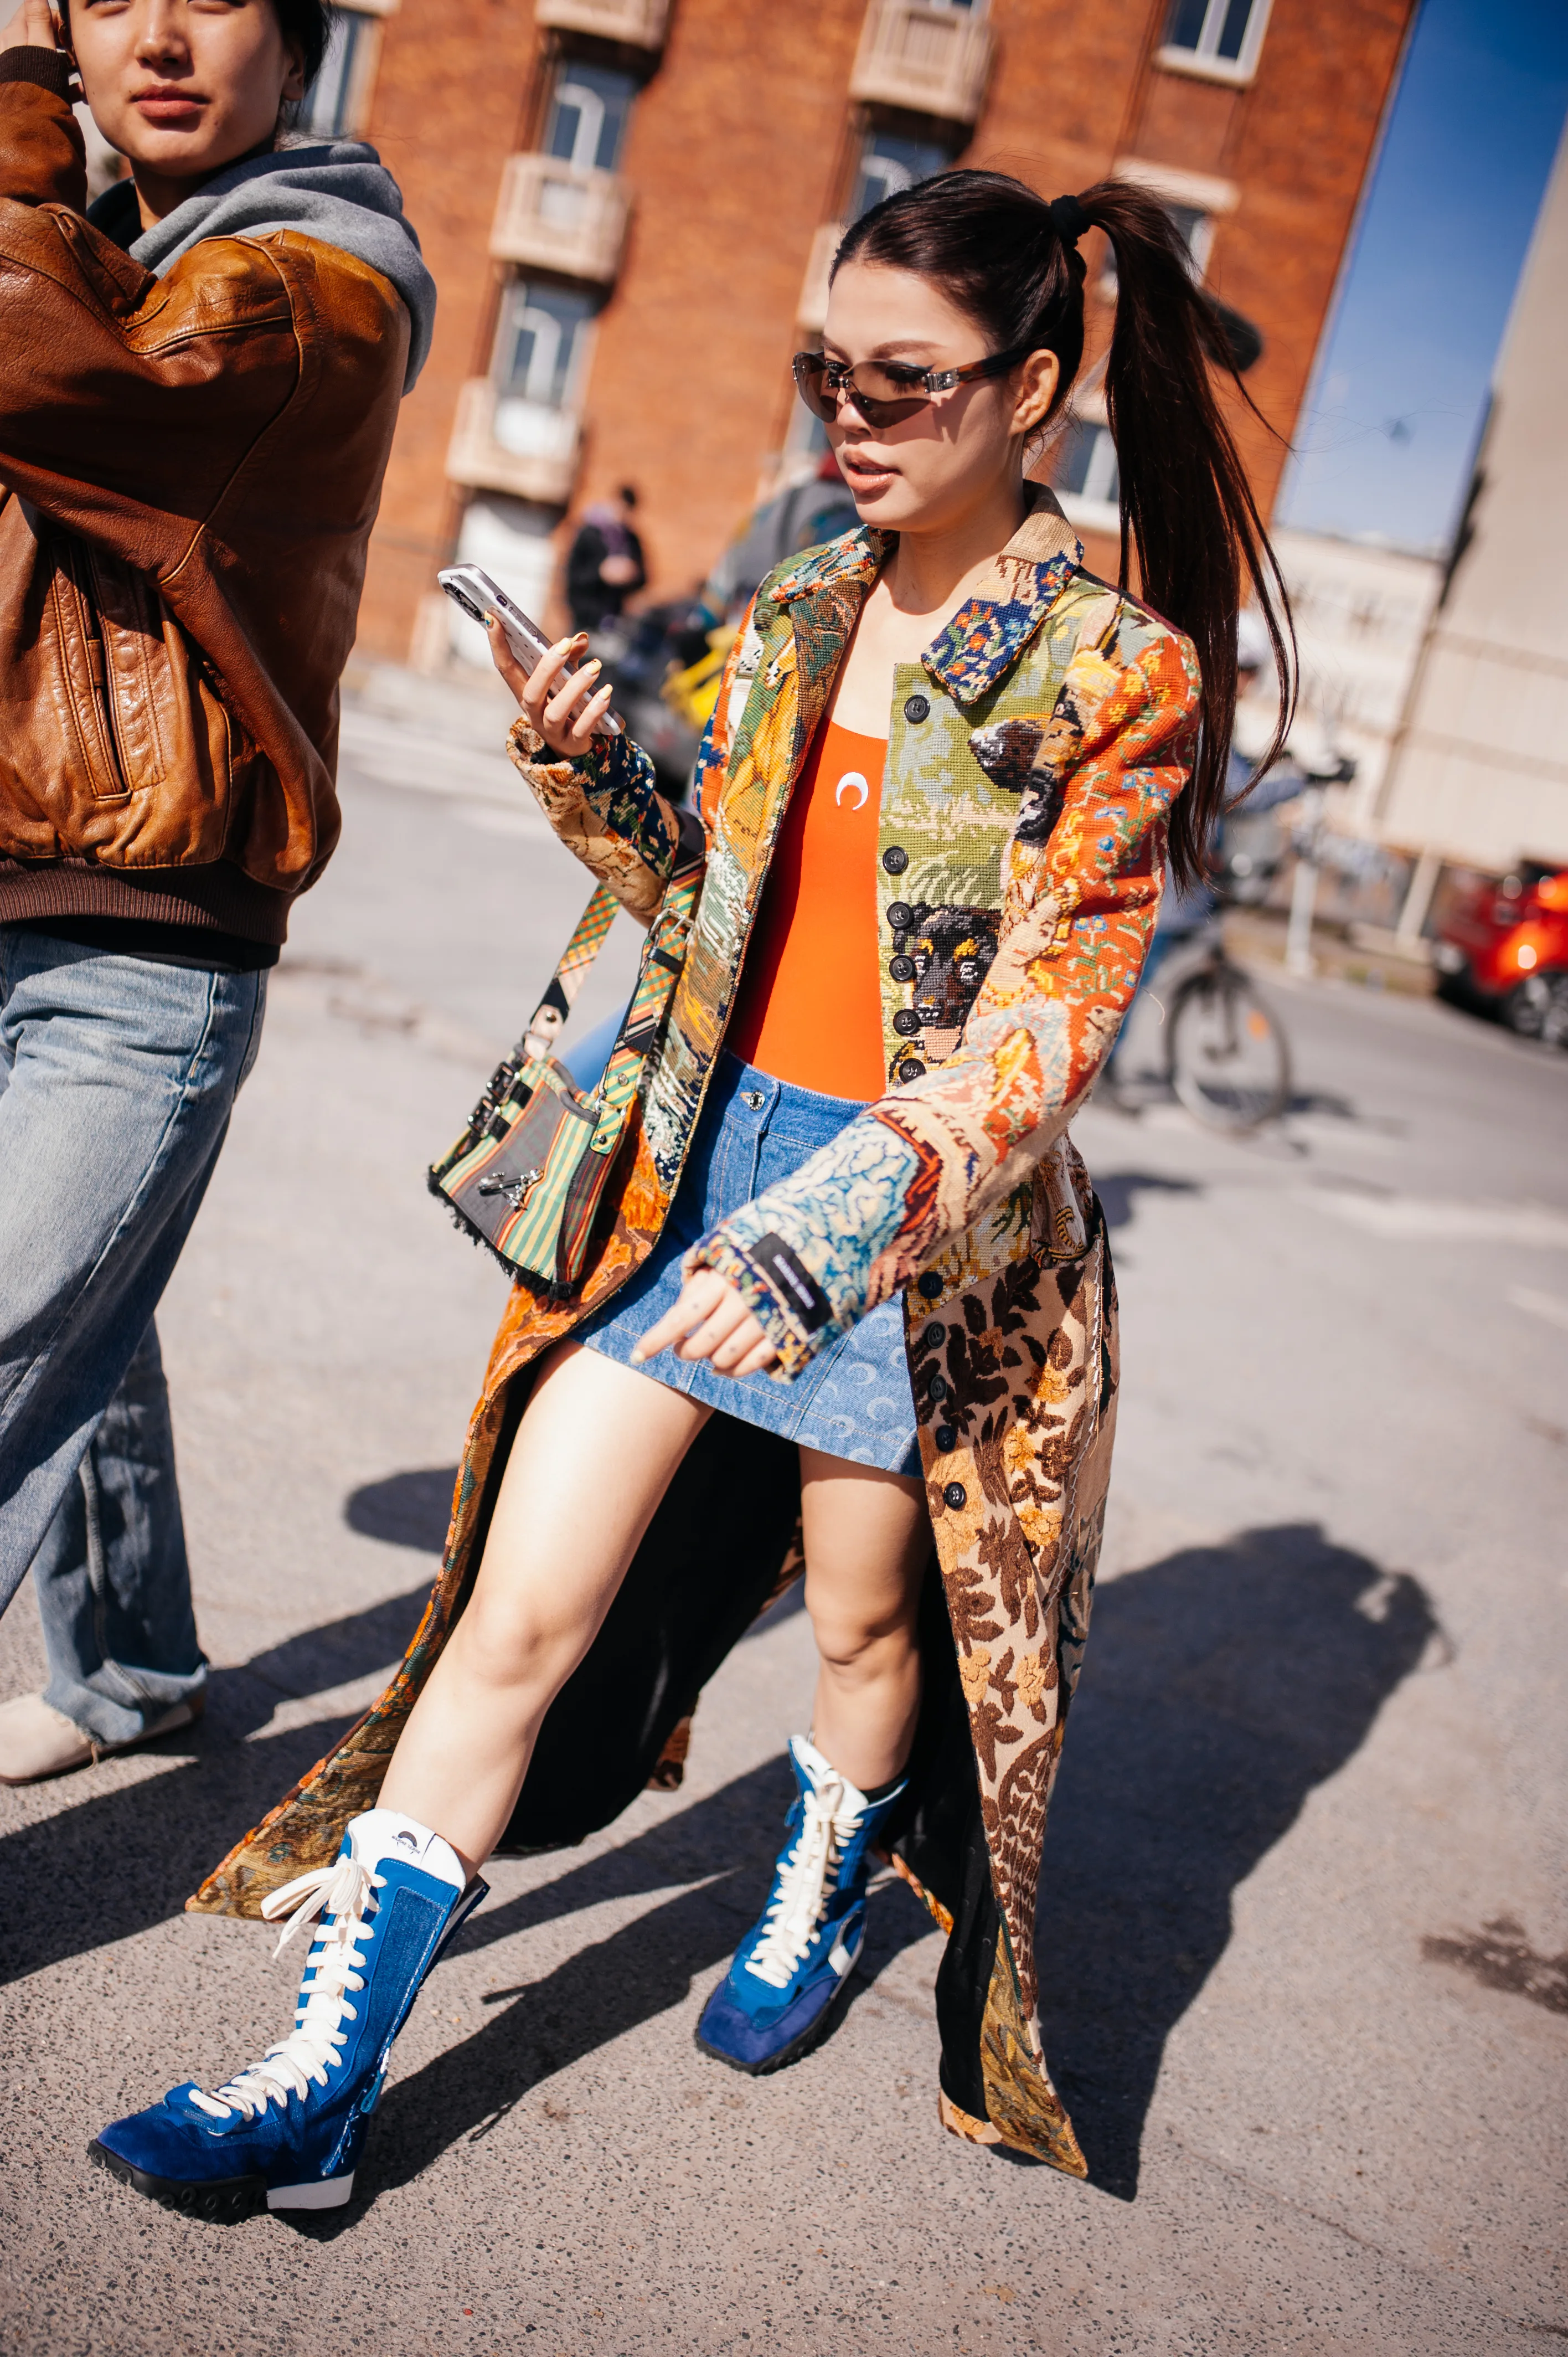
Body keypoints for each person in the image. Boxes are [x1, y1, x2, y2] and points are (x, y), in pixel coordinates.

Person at [94, 169, 1290, 2217]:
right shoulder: (797, 601)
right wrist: (588, 771)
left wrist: (829, 1227)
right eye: (833, 370)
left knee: (853, 1623)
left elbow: (1042, 1028)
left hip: (909, 1244)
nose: (854, 413)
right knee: (507, 1611)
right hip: (692, 1178)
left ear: (1029, 391)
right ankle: (320, 2073)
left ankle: (818, 1880)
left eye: (905, 382)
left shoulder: (1115, 676)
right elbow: (710, 914)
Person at [0, 0, 435, 1783]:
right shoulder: (108, 244)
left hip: (136, 951)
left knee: (21, 1330)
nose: (160, 36)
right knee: (93, 1303)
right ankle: (138, 1659)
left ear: (299, 38)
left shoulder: (313, 288)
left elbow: (33, 354)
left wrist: (23, 89)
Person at [564, 483, 646, 636]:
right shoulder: (590, 534)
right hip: (584, 615)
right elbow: (573, 575)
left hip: (613, 620)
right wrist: (601, 573)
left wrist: (631, 574)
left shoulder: (632, 541)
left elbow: (644, 578)